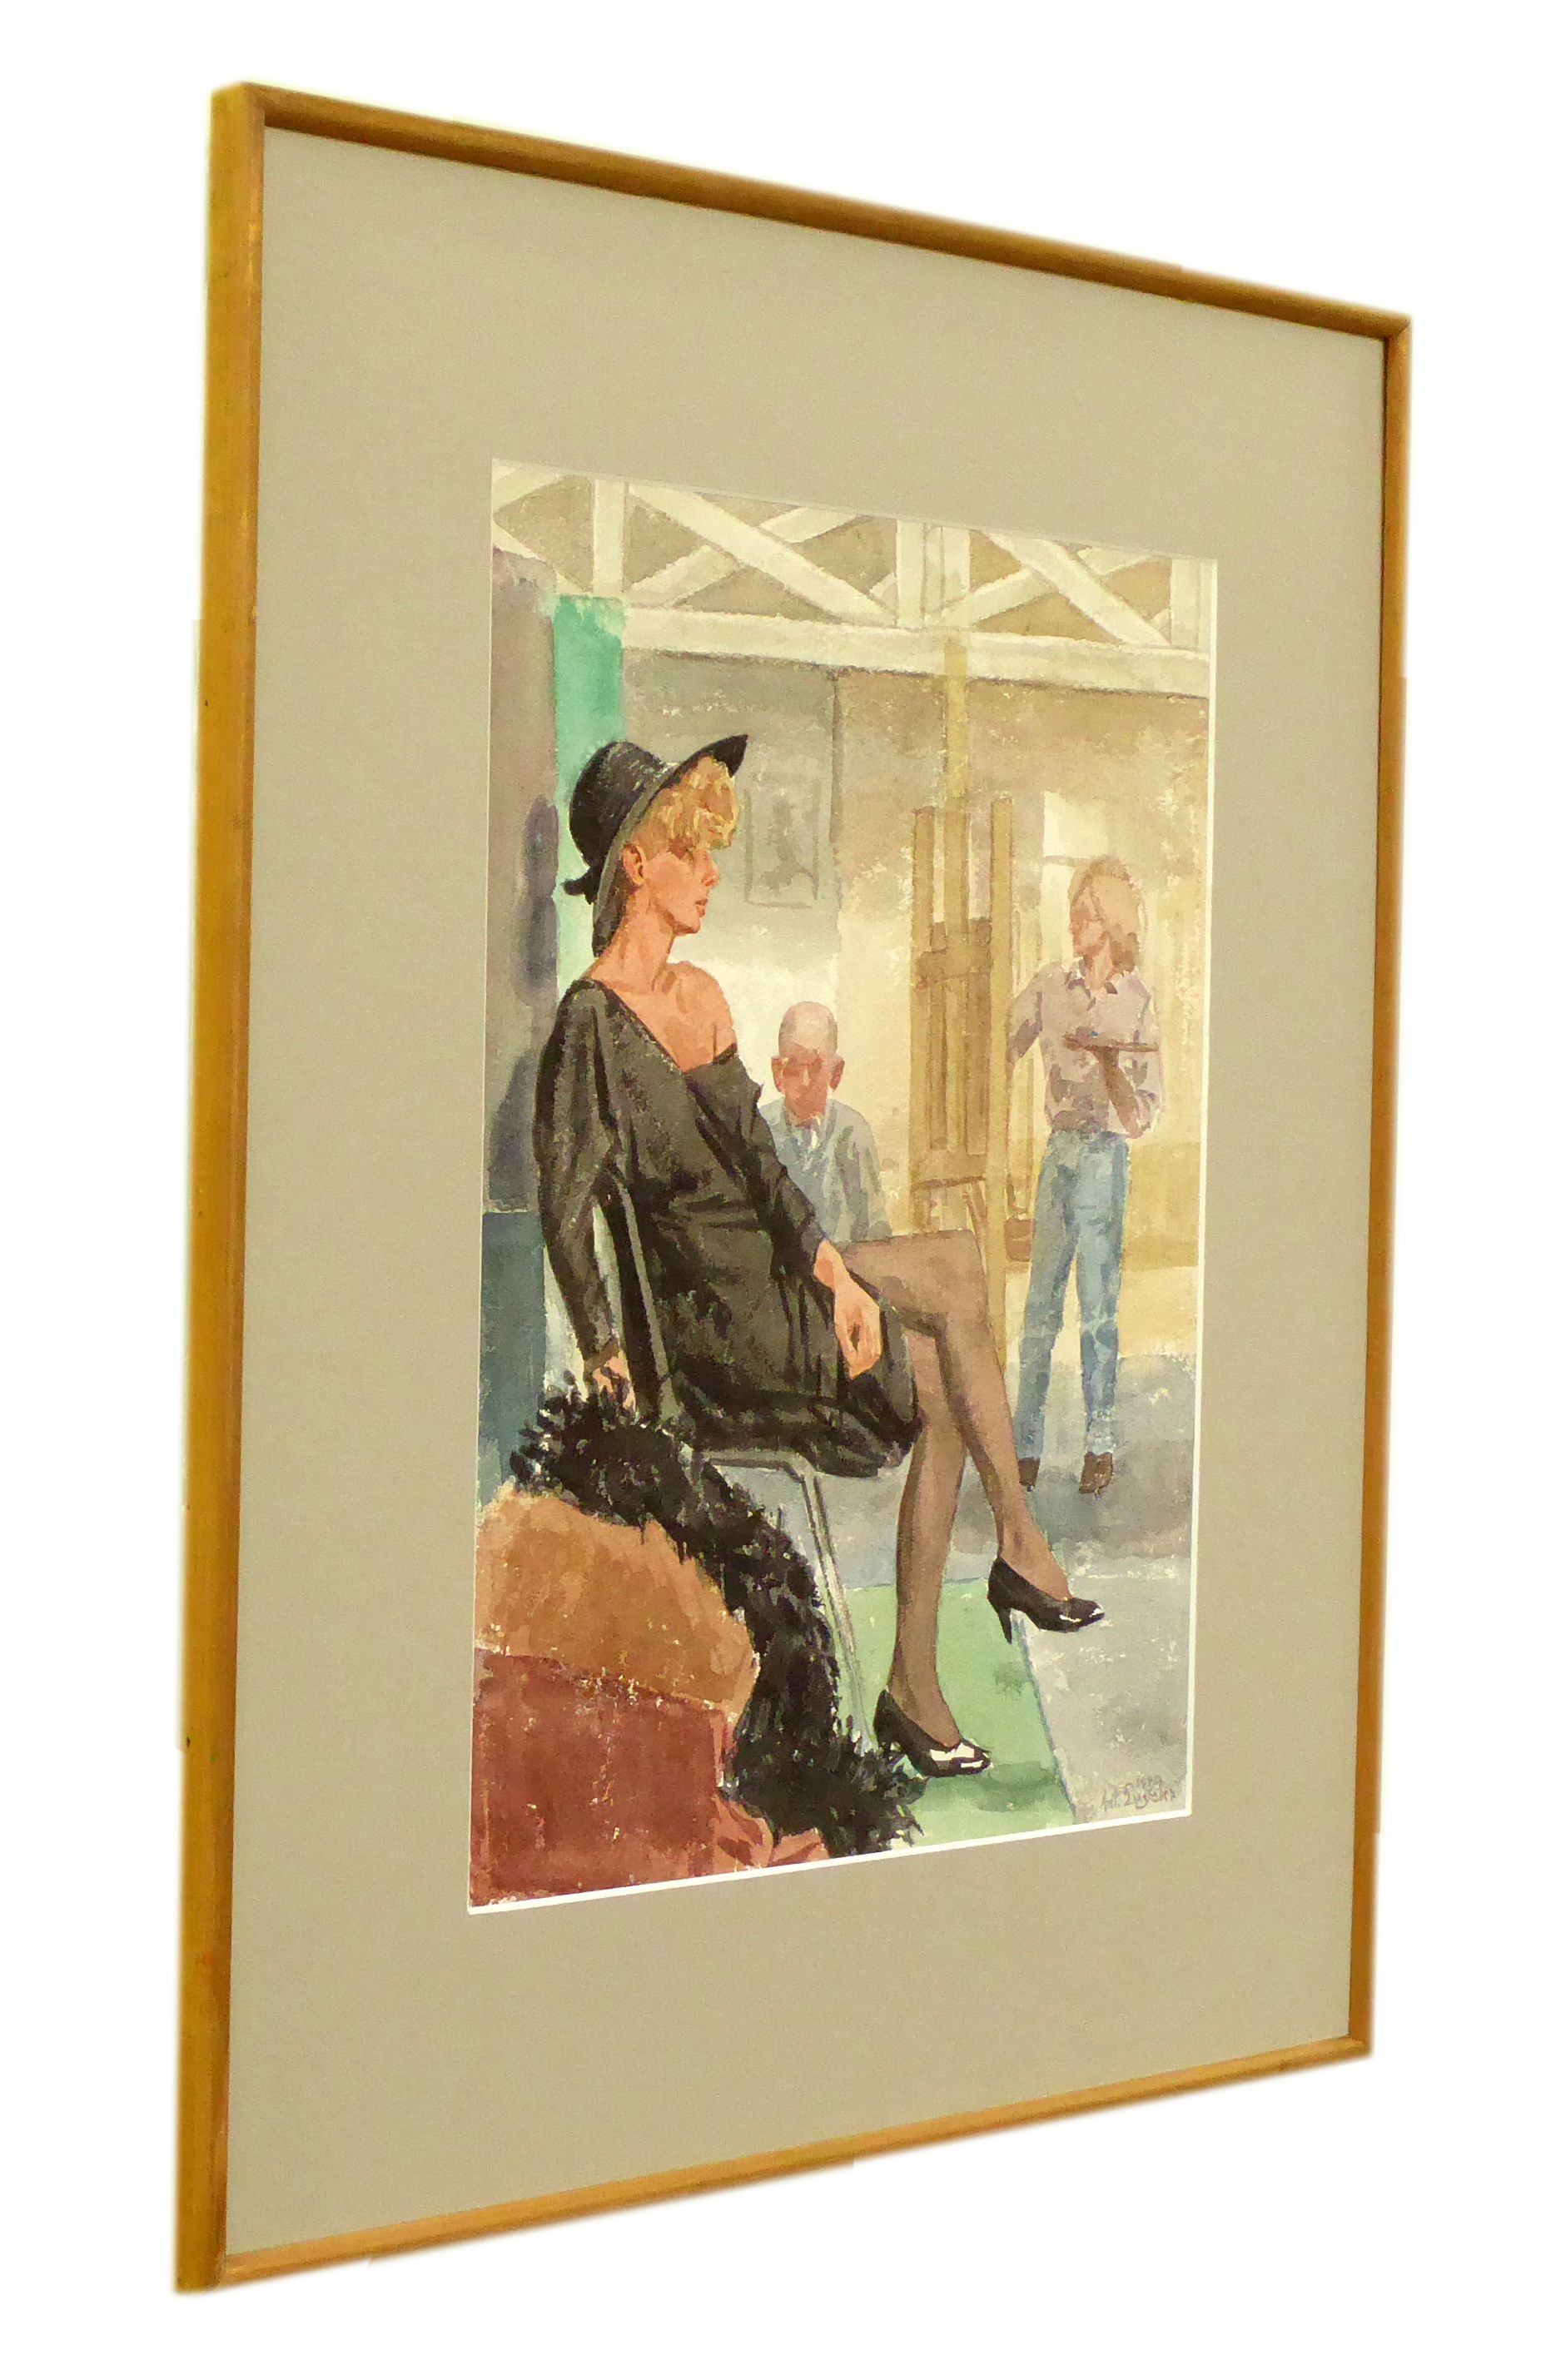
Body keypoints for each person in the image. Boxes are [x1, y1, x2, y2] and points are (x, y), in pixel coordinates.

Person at [532, 735, 1103, 1781]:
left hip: (771, 1278)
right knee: (955, 1284)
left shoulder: (703, 997)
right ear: (635, 866)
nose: (712, 871)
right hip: (712, 1335)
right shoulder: (588, 1029)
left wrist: (834, 1272)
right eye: (692, 851)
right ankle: (1012, 1560)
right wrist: (607, 1353)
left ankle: (923, 1678)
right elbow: (566, 1213)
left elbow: (761, 1171)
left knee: (949, 1346)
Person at [1008, 857, 1163, 1495]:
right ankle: (1024, 1445)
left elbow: (1143, 1117)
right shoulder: (1049, 986)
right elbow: (995, 1044)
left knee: (1098, 1311)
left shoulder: (1138, 1002)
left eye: (1087, 910)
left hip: (1105, 1158)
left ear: (1113, 920)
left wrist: (1109, 1066)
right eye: (1074, 907)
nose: (1074, 919)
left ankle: (1099, 1443)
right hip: (1059, 1155)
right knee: (1039, 1309)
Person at [760, 1001, 891, 1248]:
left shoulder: (852, 1132)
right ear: (777, 1071)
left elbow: (874, 1228)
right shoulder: (758, 1130)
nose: (805, 1082)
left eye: (816, 1068)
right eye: (794, 1068)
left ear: (836, 1072)